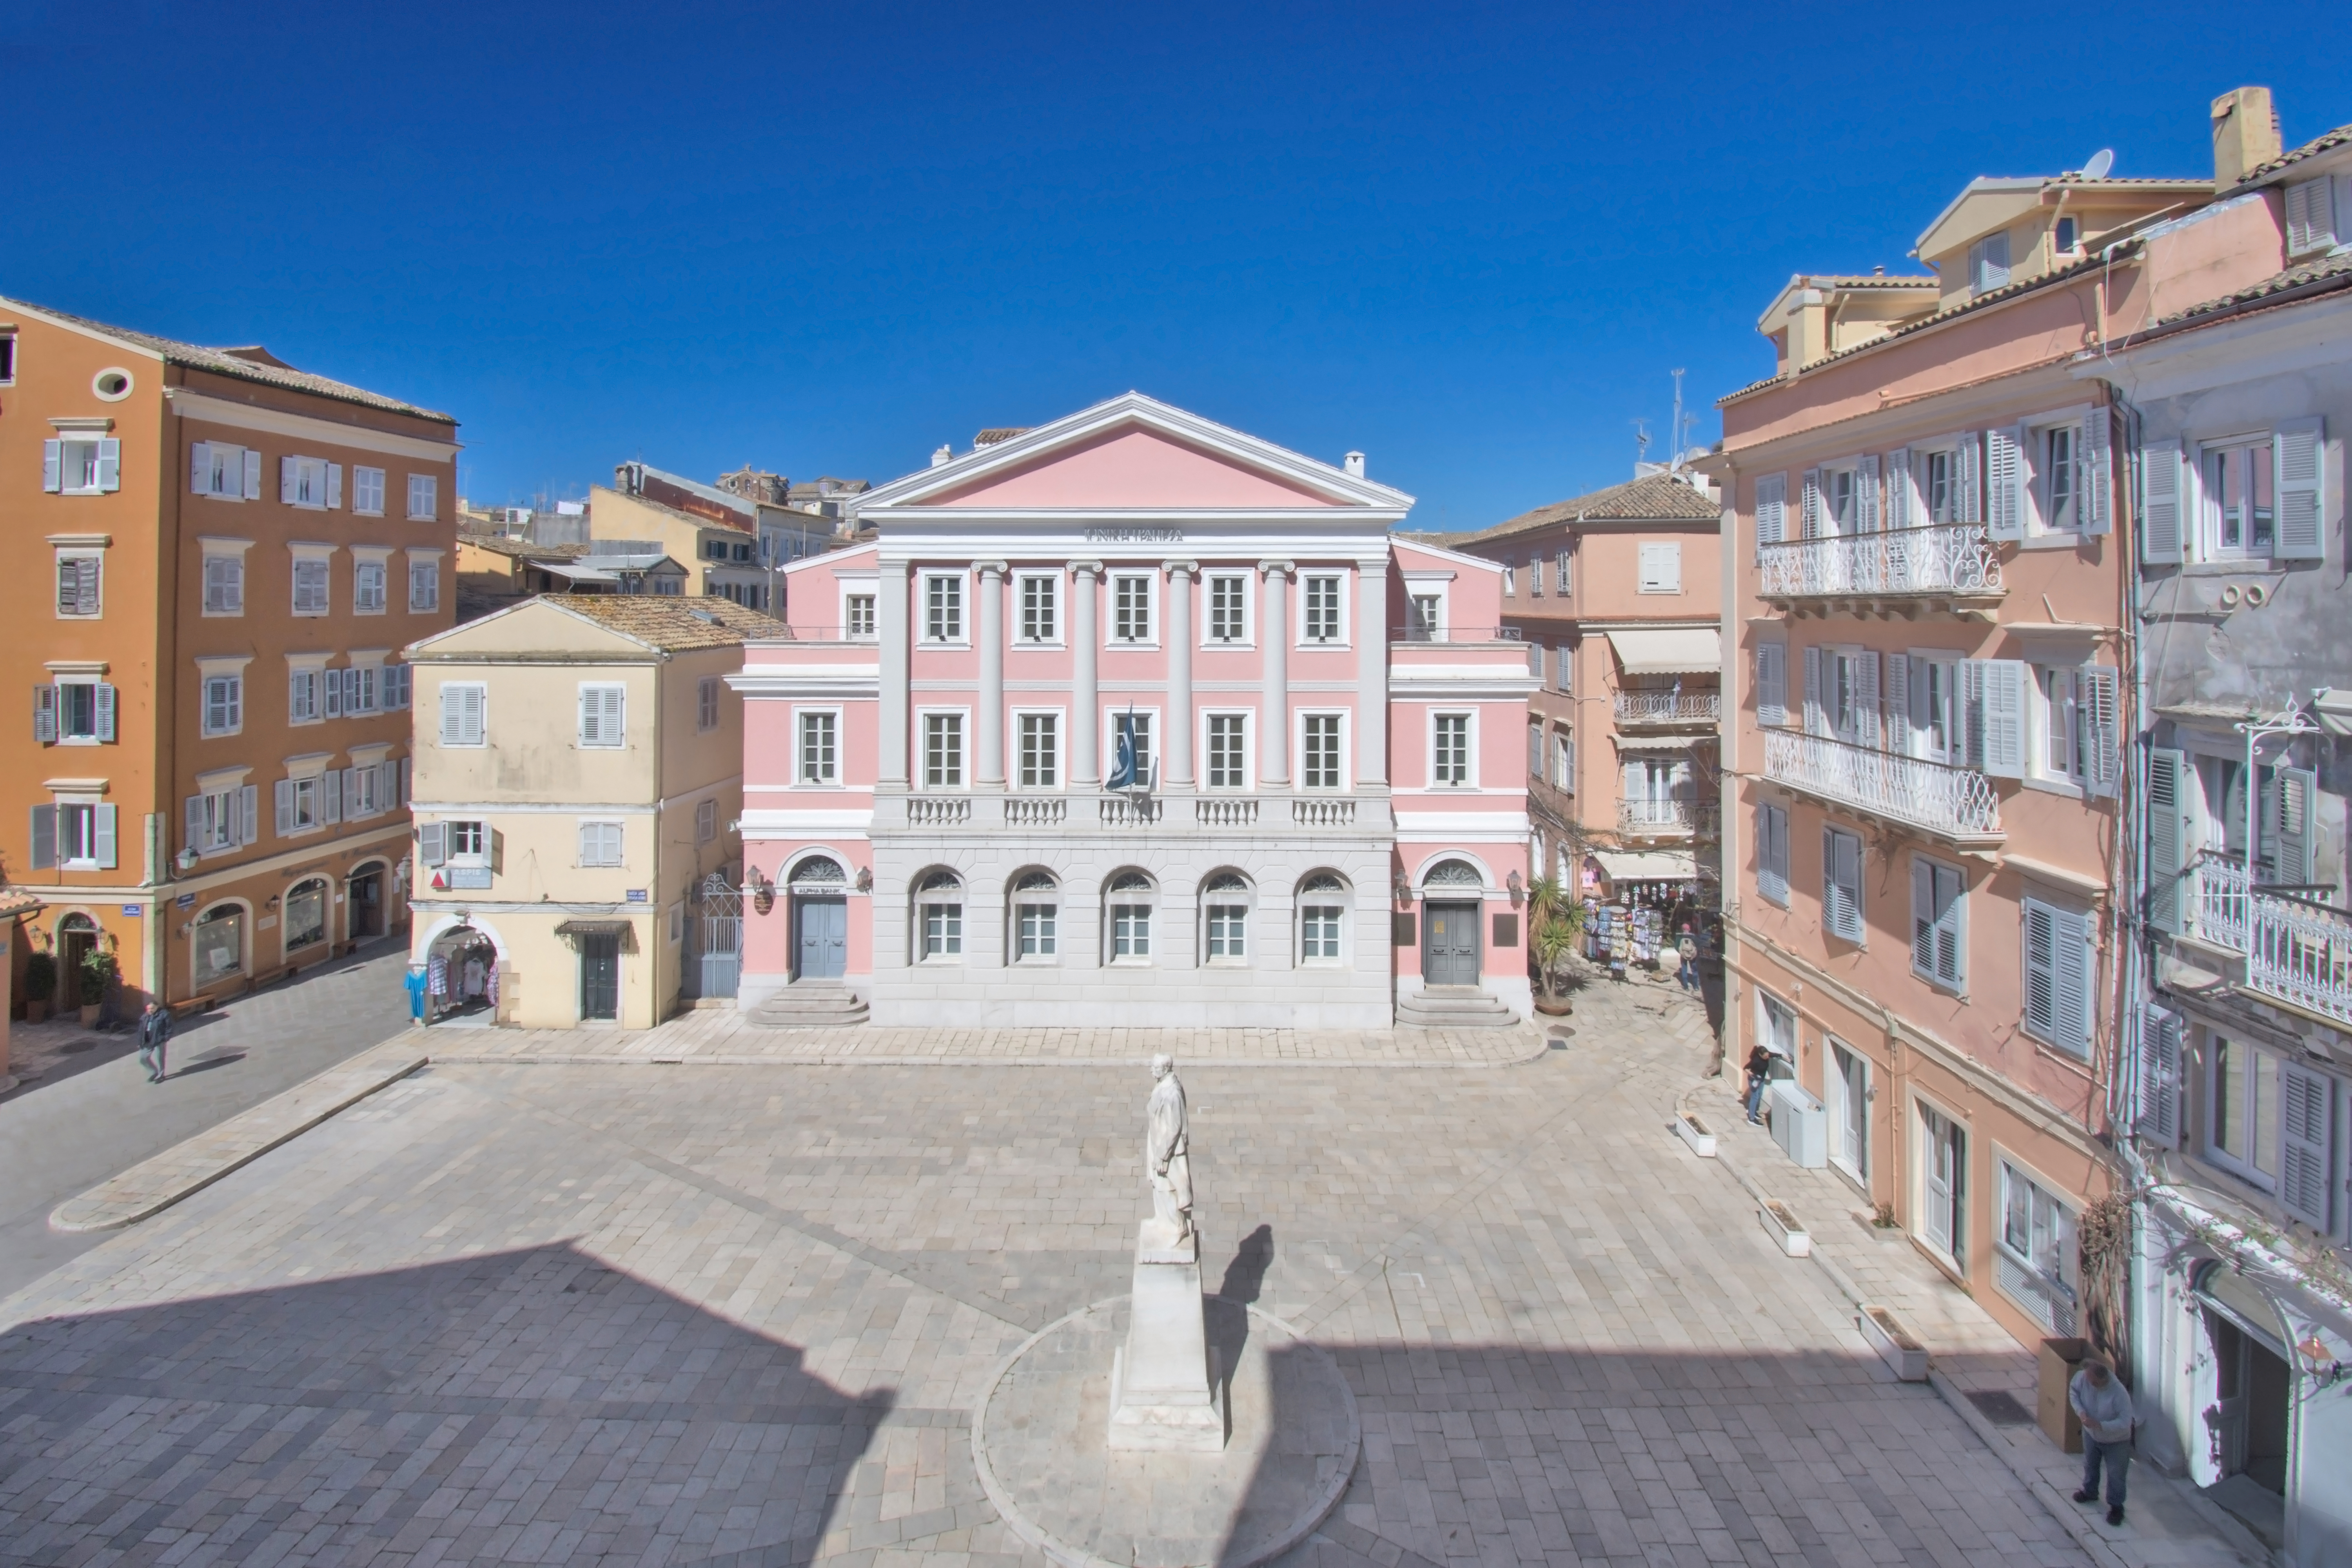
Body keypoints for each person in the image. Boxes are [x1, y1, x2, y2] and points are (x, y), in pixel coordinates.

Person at [2069, 1357, 2138, 1527]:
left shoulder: (2119, 1394)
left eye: (2092, 1382)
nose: (2088, 1383)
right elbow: (2074, 1392)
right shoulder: (2083, 1378)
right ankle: (2090, 1491)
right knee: (2090, 1464)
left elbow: (2125, 1422)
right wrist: (2081, 1412)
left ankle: (2116, 1506)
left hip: (2116, 1441)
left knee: (2116, 1474)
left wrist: (2101, 1426)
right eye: (2087, 1379)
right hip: (2091, 1434)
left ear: (2102, 1380)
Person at [136, 1000, 172, 1084]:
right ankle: (154, 1072)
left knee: (160, 1058)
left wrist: (166, 1038)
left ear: (157, 1007)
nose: (150, 1010)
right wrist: (139, 1042)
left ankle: (161, 1075)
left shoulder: (164, 1015)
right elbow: (141, 1030)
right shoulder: (145, 1016)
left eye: (152, 1008)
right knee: (143, 1059)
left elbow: (170, 1027)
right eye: (148, 1009)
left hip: (159, 1039)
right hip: (148, 1040)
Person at [1742, 1043, 1774, 1123]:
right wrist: (1754, 1075)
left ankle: (1754, 1111)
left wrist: (1788, 1059)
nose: (1768, 1058)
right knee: (1755, 1097)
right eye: (1766, 1056)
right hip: (1754, 1080)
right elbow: (1745, 1068)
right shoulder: (1756, 1061)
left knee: (1760, 1095)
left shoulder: (1767, 1055)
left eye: (1768, 1056)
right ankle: (1752, 1118)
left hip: (1761, 1080)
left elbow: (1777, 1055)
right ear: (1760, 1055)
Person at [1676, 925, 1702, 993]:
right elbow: (1699, 944)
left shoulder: (1679, 936)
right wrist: (1696, 953)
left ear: (1682, 929)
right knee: (1694, 970)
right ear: (1689, 929)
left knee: (1684, 969)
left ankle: (1686, 986)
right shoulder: (1693, 936)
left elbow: (1676, 946)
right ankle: (1696, 986)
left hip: (1684, 955)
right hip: (1693, 956)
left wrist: (1682, 953)